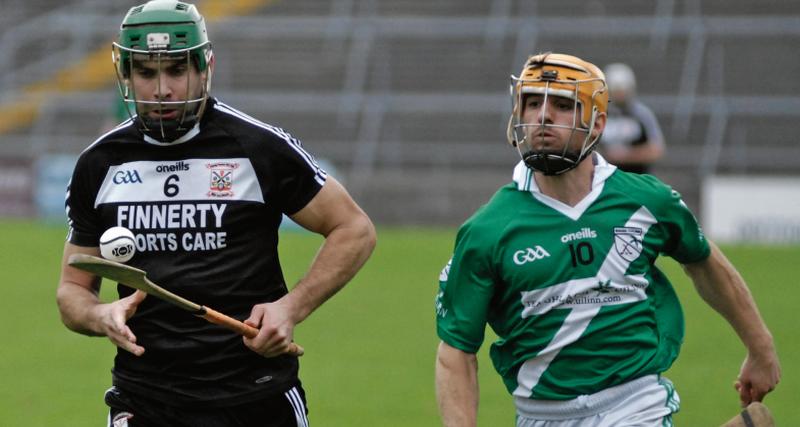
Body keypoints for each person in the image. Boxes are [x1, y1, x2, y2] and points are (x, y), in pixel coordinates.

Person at [56, 1, 376, 426]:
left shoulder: (258, 147)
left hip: (254, 396)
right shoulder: (100, 164)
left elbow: (354, 229)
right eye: (147, 73)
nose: (162, 90)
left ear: (204, 68)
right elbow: (72, 290)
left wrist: (291, 307)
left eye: (176, 70)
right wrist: (99, 316)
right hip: (146, 400)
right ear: (126, 75)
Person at [434, 52, 779, 426]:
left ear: (597, 123)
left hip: (635, 402)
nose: (543, 116)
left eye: (563, 105)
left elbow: (704, 263)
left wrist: (760, 347)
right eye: (533, 102)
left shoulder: (647, 200)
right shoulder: (487, 231)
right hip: (541, 416)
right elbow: (456, 351)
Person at [598, 62, 665, 174]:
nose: (620, 94)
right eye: (616, 90)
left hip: (636, 177)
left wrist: (626, 156)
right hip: (605, 178)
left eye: (623, 89)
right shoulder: (599, 114)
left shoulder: (642, 114)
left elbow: (656, 150)